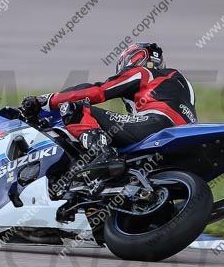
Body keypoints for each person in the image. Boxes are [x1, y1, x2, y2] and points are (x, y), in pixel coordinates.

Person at [21, 42, 197, 178]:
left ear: (133, 58)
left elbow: (99, 91)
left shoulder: (143, 73)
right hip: (181, 136)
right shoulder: (184, 84)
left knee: (73, 109)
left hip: (155, 124)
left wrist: (46, 100)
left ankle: (102, 153)